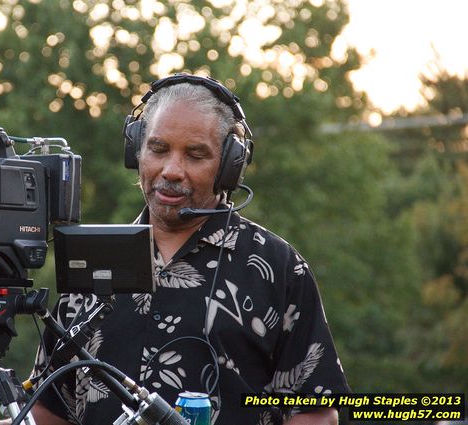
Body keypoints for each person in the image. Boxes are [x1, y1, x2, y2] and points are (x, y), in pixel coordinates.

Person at [28, 74, 350, 425]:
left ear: (229, 166)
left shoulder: (277, 266)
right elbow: (49, 407)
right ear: (136, 149)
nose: (172, 170)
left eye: (195, 155)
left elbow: (316, 414)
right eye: (158, 148)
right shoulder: (91, 257)